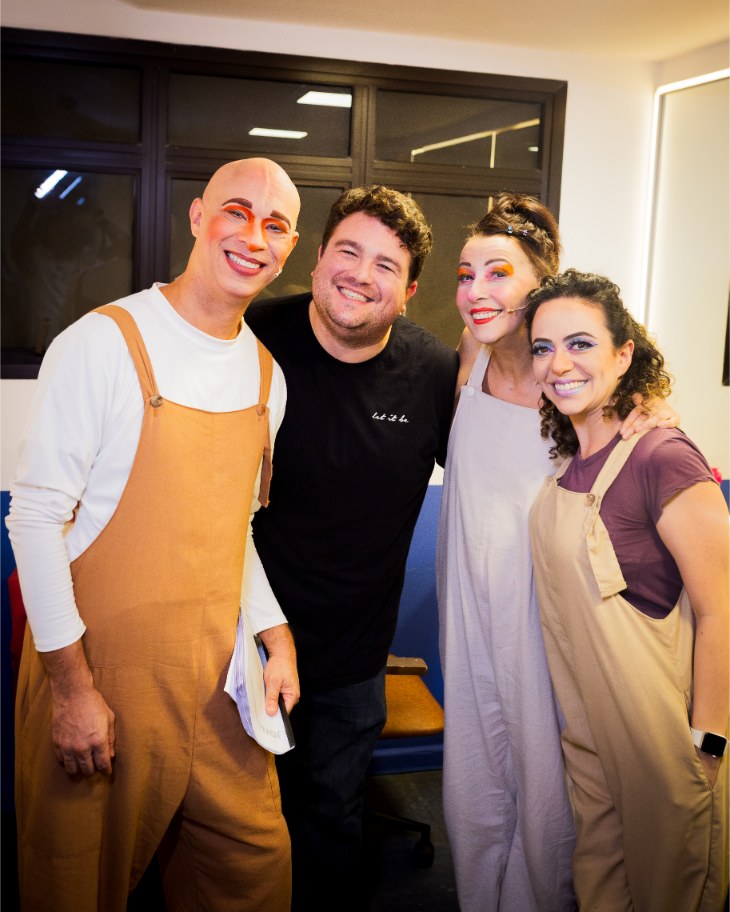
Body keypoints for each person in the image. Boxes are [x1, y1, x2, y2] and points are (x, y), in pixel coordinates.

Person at [7, 157, 302, 912]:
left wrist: (275, 635)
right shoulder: (103, 342)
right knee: (77, 880)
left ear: (289, 248)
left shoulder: (267, 379)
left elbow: (233, 530)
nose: (253, 237)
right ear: (198, 217)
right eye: (237, 212)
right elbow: (36, 519)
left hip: (217, 685)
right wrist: (73, 689)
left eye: (274, 225)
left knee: (253, 869)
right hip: (102, 678)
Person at [435, 194, 678, 912]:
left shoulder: (572, 392)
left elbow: (637, 425)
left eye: (498, 273)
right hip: (467, 602)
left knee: (547, 785)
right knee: (474, 772)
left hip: (543, 617)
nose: (476, 291)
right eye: (466, 273)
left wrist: (654, 411)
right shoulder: (470, 356)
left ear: (539, 285)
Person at [244, 185, 459, 911]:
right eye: (349, 251)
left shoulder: (433, 373)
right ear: (317, 256)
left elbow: (500, 464)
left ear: (410, 291)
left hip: (351, 659)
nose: (362, 275)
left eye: (386, 265)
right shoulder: (251, 337)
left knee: (330, 824)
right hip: (239, 645)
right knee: (236, 830)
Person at [526, 269, 729, 912]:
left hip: (663, 743)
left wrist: (708, 747)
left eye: (581, 343)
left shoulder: (662, 457)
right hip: (591, 734)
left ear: (623, 354)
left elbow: (722, 611)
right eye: (542, 347)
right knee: (603, 884)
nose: (559, 364)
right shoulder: (568, 467)